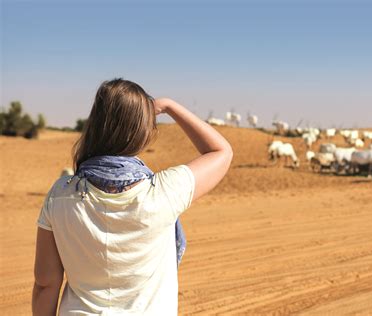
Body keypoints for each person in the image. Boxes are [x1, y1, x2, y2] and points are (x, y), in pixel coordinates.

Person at [32, 78, 233, 315]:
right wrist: (169, 106)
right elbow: (221, 151)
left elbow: (46, 285)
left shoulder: (60, 194)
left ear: (94, 125)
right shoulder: (165, 191)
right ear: (144, 132)